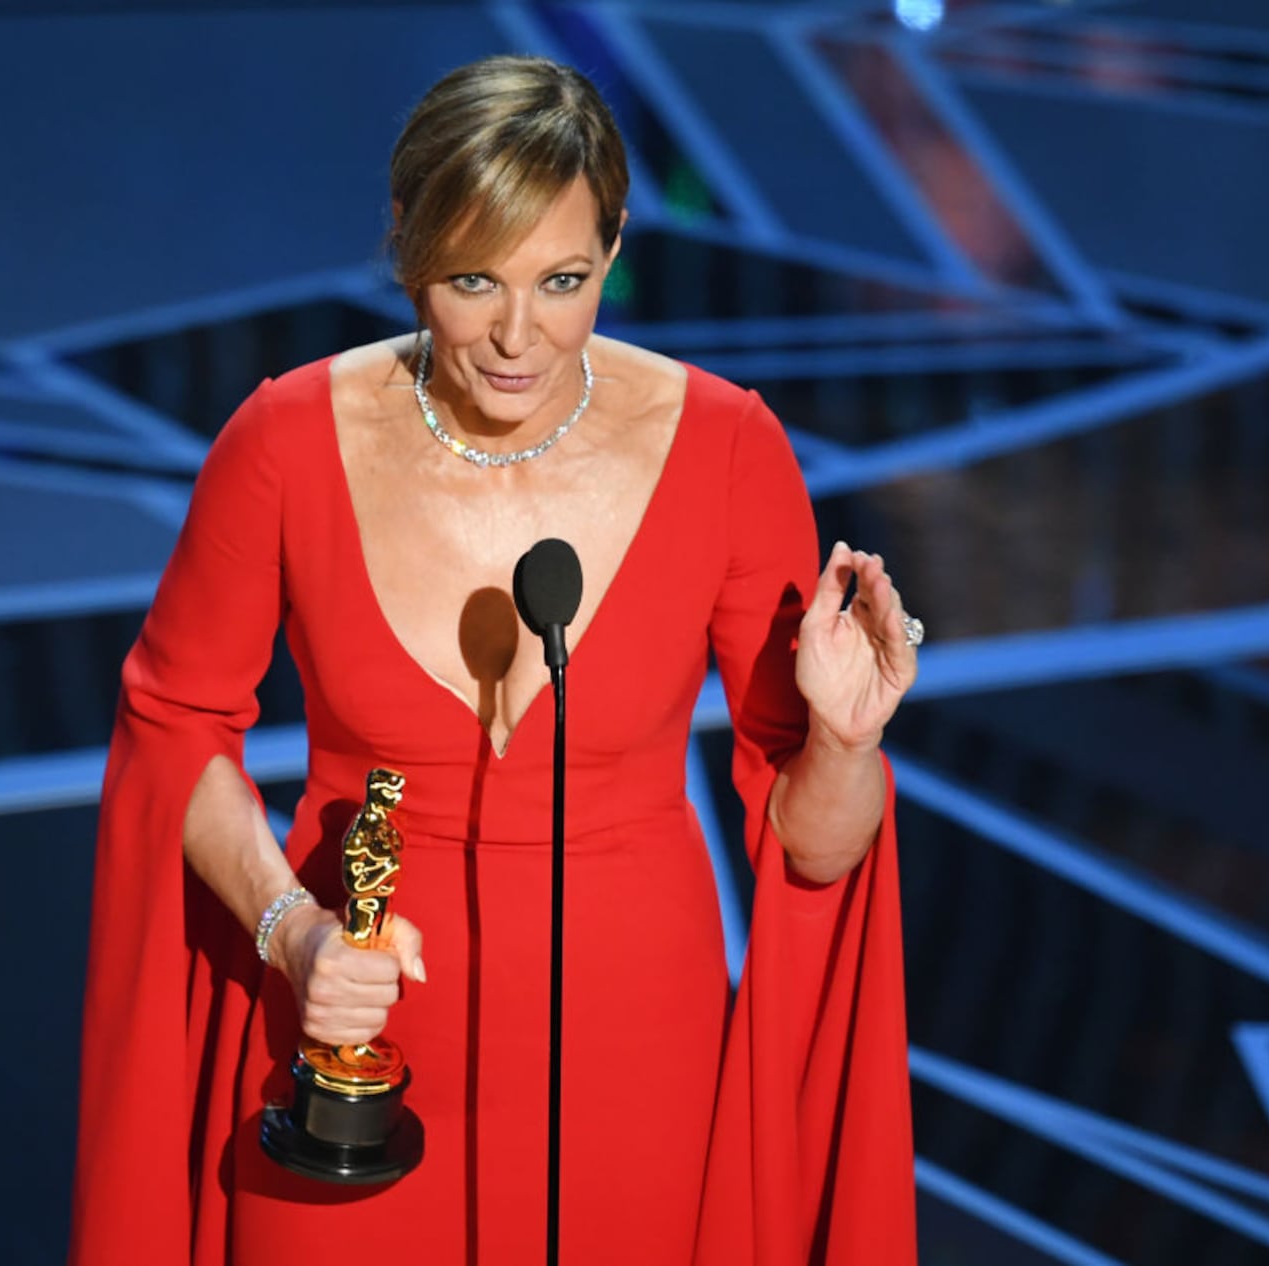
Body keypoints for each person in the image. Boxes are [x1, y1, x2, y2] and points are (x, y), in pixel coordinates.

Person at [69, 55, 920, 1265]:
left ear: (615, 247)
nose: (520, 337)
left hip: (633, 1048)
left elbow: (816, 846)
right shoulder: (285, 441)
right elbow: (176, 729)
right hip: (354, 1040)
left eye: (563, 281)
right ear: (407, 245)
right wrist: (292, 933)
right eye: (473, 281)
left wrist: (845, 741)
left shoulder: (729, 449)